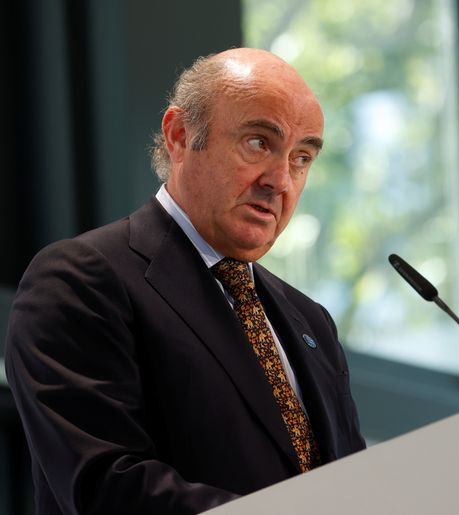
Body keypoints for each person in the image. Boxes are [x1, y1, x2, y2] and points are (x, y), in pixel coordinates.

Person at [5, 48, 366, 515]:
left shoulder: (311, 321)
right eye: (258, 143)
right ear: (179, 135)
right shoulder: (81, 279)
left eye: (301, 158)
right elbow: (107, 485)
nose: (280, 180)